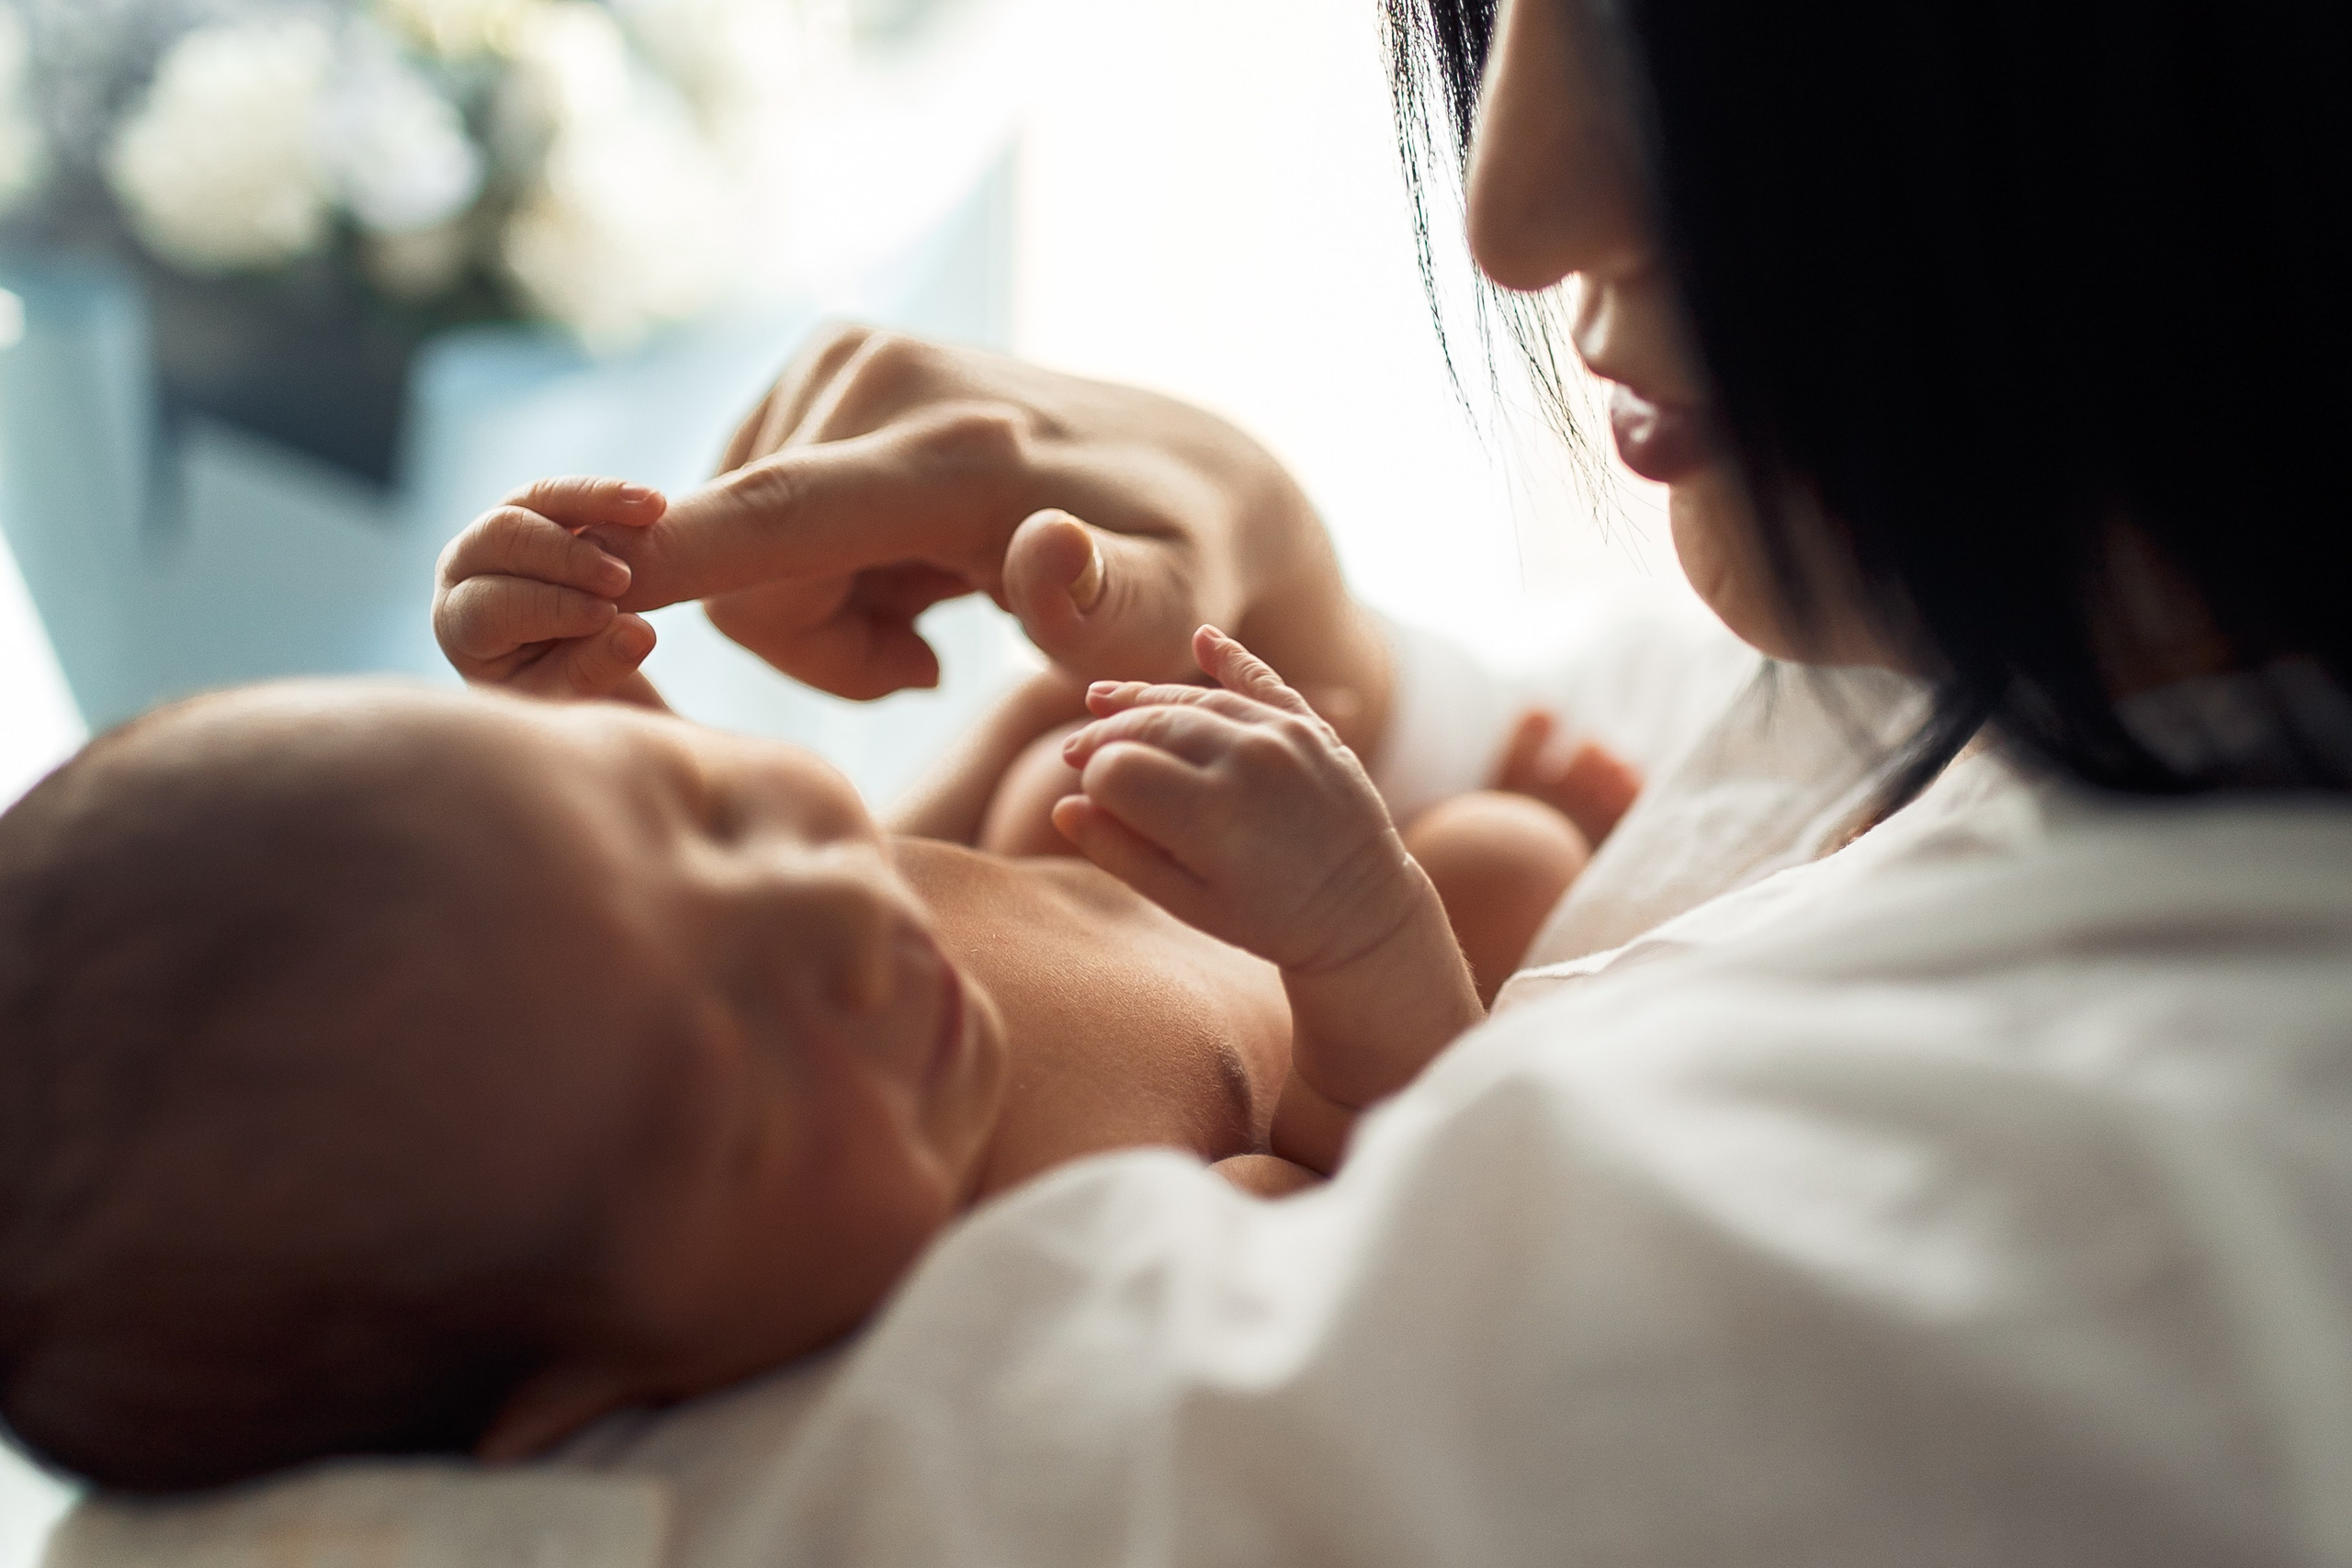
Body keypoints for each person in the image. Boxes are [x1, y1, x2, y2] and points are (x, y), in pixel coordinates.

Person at [31, 0, 2352, 1561]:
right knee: (1492, 838)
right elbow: (1411, 1115)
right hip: (1285, 940)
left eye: (1692, 32)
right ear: (561, 1385)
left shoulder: (2120, 1205)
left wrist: (572, 722)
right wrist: (1337, 682)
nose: (1502, 207)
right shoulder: (2115, 635)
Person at [0, 479, 1611, 1492]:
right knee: (1502, 860)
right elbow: (1394, 1204)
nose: (837, 911)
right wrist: (1352, 927)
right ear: (586, 1393)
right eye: (741, 1059)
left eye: (684, 804)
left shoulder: (669, 957)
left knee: (1048, 766)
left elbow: (857, 869)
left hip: (1068, 883)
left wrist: (574, 674)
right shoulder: (1054, 1270)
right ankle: (1553, 847)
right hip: (1296, 1048)